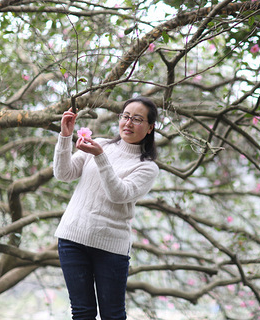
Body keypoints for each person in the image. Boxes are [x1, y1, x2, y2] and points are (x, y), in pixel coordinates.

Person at [53, 96, 160, 320]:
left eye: (137, 119)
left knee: (113, 315)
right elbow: (64, 174)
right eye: (126, 116)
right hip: (73, 238)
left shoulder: (147, 167)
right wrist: (65, 136)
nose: (129, 123)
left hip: (111, 247)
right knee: (82, 313)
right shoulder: (101, 144)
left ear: (150, 128)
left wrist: (100, 156)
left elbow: (119, 194)